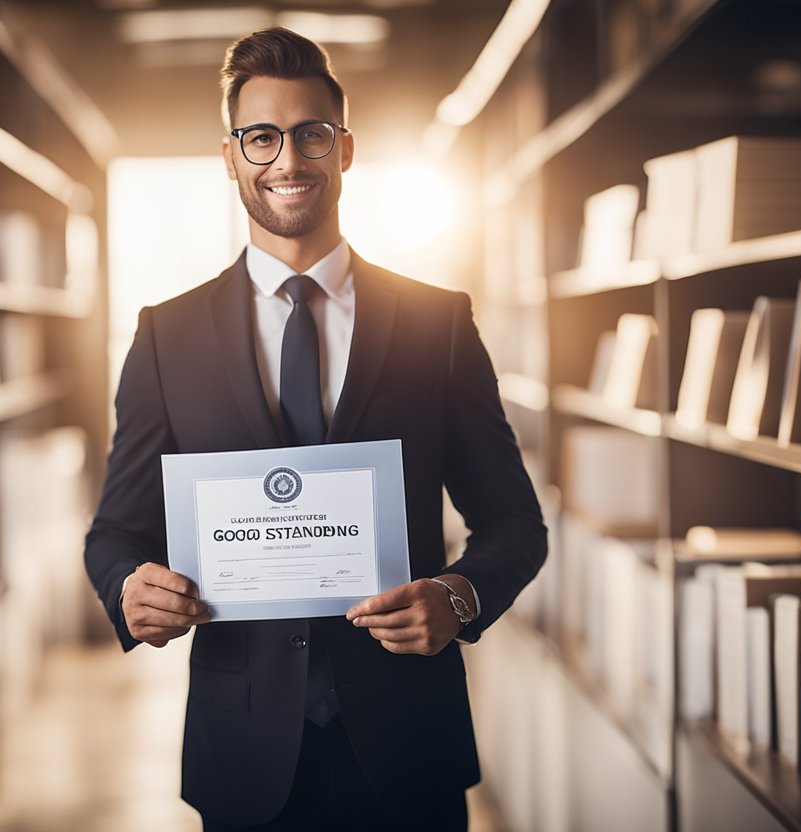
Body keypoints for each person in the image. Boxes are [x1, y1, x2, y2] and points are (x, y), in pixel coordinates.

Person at [85, 27, 547, 831]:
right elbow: (114, 531)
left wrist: (459, 595)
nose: (288, 161)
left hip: (408, 742)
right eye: (261, 137)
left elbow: (516, 523)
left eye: (311, 135)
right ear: (231, 156)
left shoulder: (437, 323)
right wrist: (129, 587)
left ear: (346, 148)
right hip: (244, 751)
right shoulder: (168, 334)